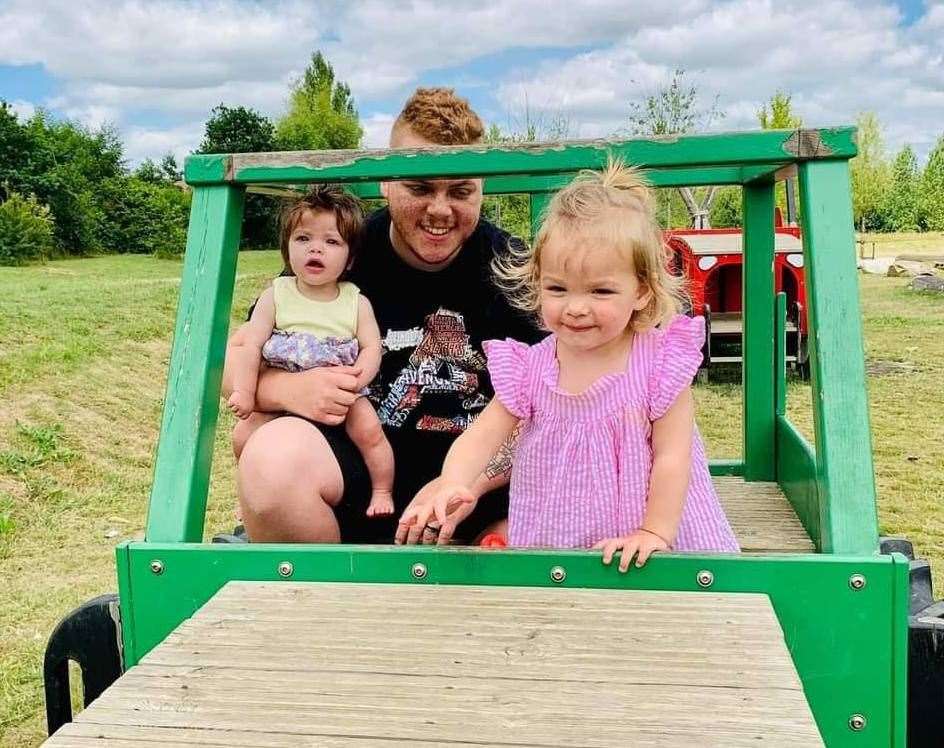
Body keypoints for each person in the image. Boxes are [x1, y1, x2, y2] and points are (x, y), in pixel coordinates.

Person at [224, 87, 540, 543]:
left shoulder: (516, 270)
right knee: (267, 456)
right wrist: (287, 388)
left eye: (461, 190)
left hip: (480, 486)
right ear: (385, 182)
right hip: (365, 477)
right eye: (419, 187)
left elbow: (565, 398)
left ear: (482, 188)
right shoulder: (343, 253)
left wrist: (465, 479)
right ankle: (324, 602)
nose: (440, 209)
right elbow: (232, 361)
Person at [397, 161, 740, 570]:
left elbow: (673, 457)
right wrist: (453, 480)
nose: (576, 308)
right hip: (558, 532)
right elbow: (482, 435)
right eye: (558, 289)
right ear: (538, 283)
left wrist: (655, 531)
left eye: (600, 291)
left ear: (642, 291)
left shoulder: (660, 364)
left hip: (651, 534)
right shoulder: (531, 367)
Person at [225, 186, 395, 518]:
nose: (315, 248)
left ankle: (383, 490)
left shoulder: (355, 301)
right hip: (283, 387)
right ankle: (248, 498)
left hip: (342, 387)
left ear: (351, 258)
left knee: (370, 431)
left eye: (331, 242)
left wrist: (358, 377)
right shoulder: (276, 295)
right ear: (287, 249)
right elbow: (251, 346)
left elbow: (372, 346)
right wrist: (245, 392)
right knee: (244, 434)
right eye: (303, 238)